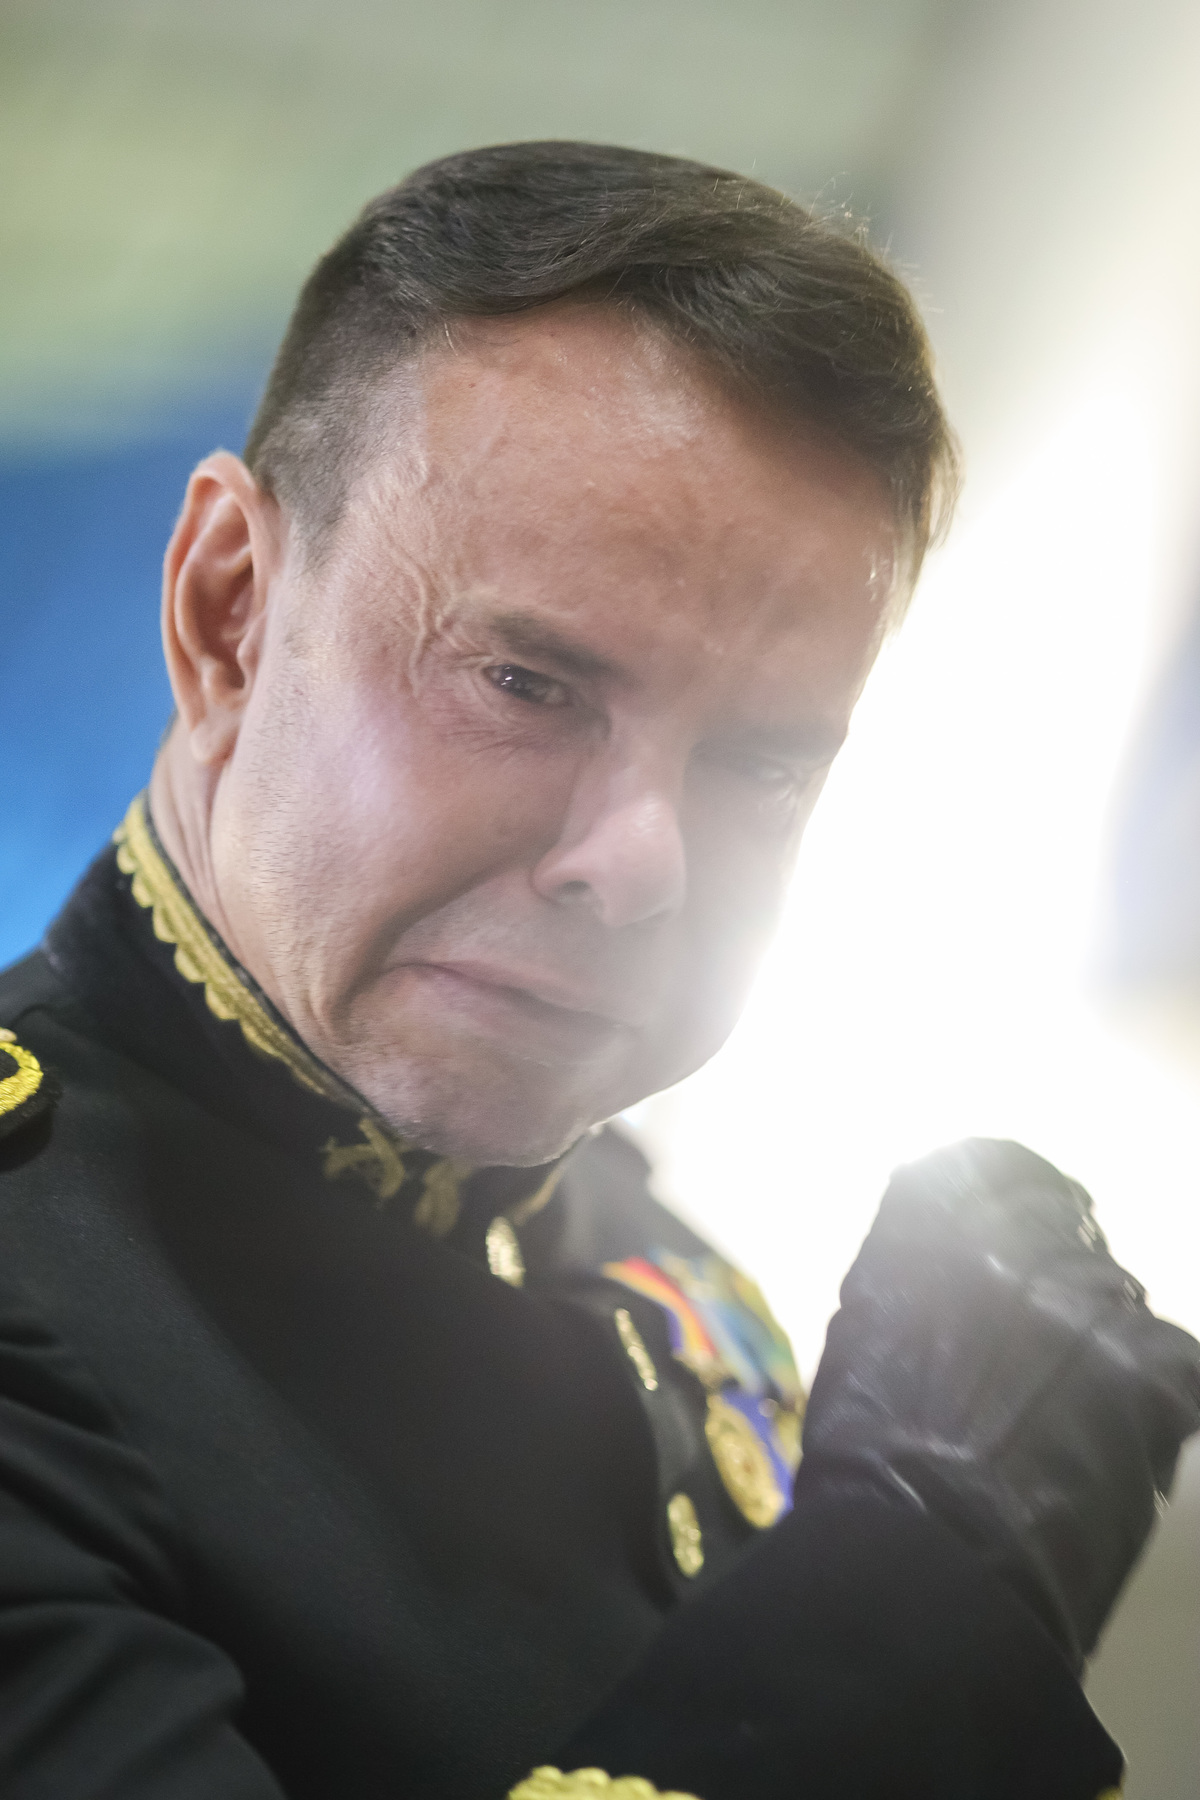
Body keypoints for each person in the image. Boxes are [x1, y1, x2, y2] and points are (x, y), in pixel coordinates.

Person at [0, 142, 1196, 1800]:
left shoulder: (653, 1260)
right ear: (230, 614)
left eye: (762, 764)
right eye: (526, 683)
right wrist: (917, 1584)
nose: (642, 865)